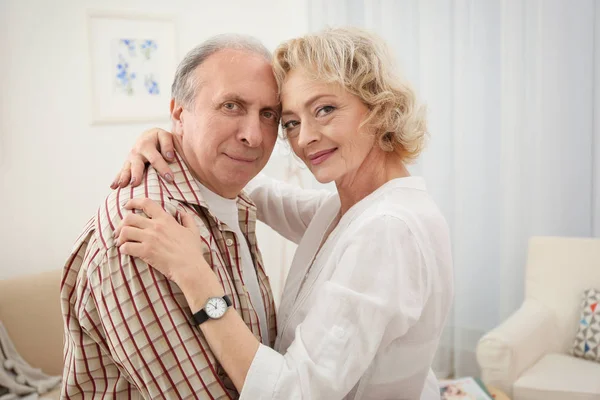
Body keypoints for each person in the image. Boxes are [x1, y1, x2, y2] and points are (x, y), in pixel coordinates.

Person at [114, 27, 454, 399]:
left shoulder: (388, 230)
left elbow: (293, 393)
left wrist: (195, 275)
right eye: (290, 122)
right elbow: (254, 189)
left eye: (324, 109)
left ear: (379, 106)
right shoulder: (348, 208)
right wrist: (177, 139)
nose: (305, 137)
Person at [60, 34, 282, 399]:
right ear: (180, 113)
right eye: (231, 106)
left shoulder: (234, 200)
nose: (254, 136)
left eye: (269, 114)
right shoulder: (145, 228)